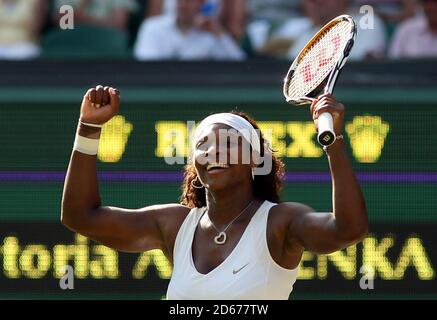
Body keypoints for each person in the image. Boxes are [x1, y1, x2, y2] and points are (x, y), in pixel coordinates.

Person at [61, 85, 368, 299]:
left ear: (256, 160)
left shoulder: (281, 222)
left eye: (229, 142)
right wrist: (88, 128)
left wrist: (333, 142)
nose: (213, 151)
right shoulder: (175, 225)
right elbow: (80, 216)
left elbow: (348, 229)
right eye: (203, 144)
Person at [133, 0, 245, 60]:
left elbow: (238, 62)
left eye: (189, 1)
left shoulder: (211, 31)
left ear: (201, 3)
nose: (183, 5)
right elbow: (144, 65)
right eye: (180, 0)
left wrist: (219, 33)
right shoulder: (152, 27)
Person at [284, 0, 387, 60]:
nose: (316, 4)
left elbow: (360, 67)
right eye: (311, 1)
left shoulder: (367, 22)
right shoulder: (307, 34)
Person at [53, 0, 137, 30]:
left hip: (105, 44)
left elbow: (119, 25)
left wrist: (79, 18)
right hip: (72, 42)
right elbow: (63, 23)